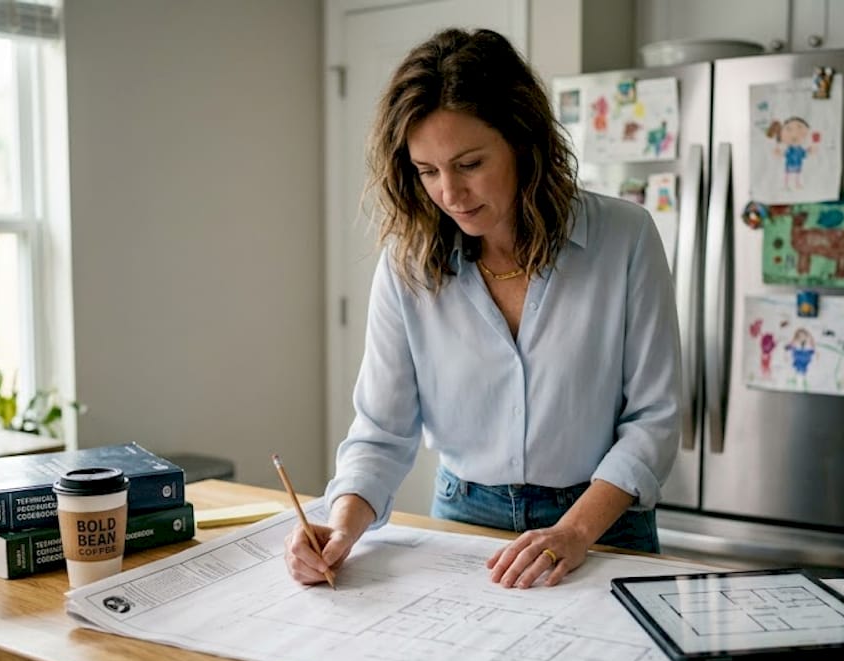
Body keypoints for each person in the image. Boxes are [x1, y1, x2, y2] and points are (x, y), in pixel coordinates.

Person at [284, 28, 681, 590]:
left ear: (522, 141)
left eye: (469, 163)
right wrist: (340, 526)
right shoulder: (408, 265)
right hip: (467, 522)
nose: (450, 193)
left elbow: (654, 420)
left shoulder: (625, 237)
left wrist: (573, 531)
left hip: (603, 526)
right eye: (426, 171)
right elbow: (381, 431)